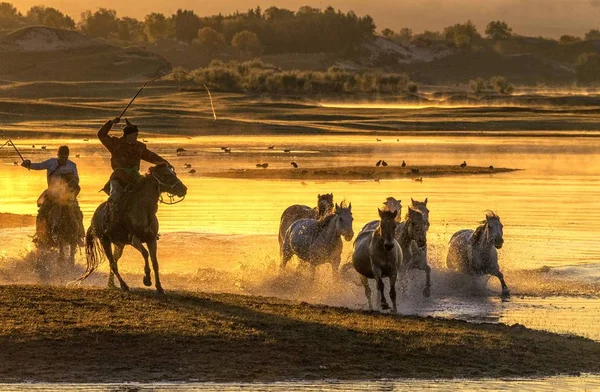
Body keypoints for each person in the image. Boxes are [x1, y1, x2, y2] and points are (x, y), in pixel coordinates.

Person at [97, 117, 170, 231]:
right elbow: (101, 135)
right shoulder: (115, 143)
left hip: (134, 177)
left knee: (148, 195)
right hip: (118, 177)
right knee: (115, 197)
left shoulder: (139, 147)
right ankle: (109, 222)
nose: (136, 137)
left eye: (137, 135)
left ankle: (149, 223)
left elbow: (150, 156)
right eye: (135, 135)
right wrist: (110, 123)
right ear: (128, 135)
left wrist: (165, 163)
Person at [21, 145, 85, 245]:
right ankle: (40, 235)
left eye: (65, 157)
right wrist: (28, 164)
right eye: (61, 156)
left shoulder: (72, 165)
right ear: (58, 155)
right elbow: (39, 166)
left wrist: (69, 179)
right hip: (52, 193)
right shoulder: (51, 162)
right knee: (42, 212)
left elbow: (76, 180)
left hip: (67, 194)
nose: (63, 159)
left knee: (78, 212)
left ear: (68, 156)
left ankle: (79, 235)